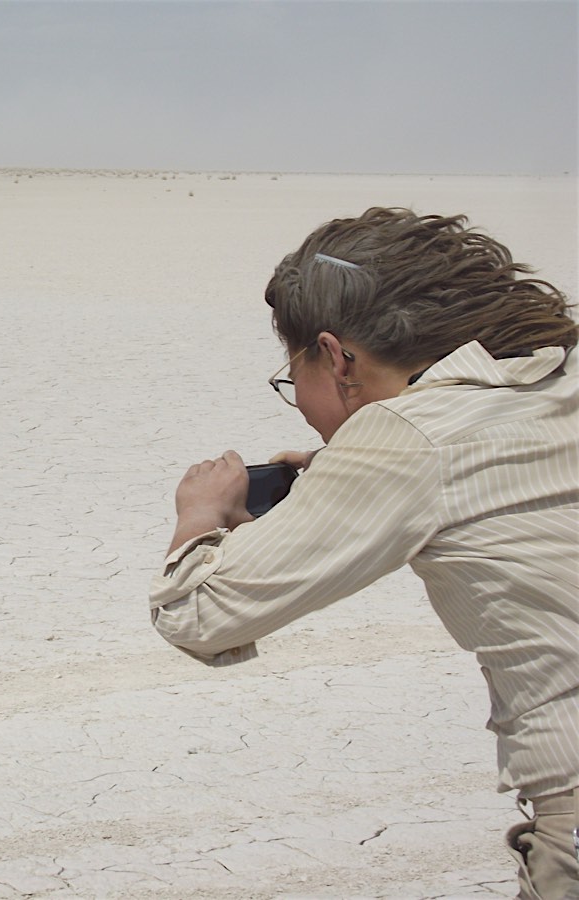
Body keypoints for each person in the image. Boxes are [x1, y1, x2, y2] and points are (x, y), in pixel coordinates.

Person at [148, 208, 578, 899]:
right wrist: (342, 468)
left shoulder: (406, 438)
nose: (299, 404)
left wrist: (200, 517)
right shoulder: (554, 376)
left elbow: (198, 614)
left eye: (295, 378)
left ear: (338, 356)